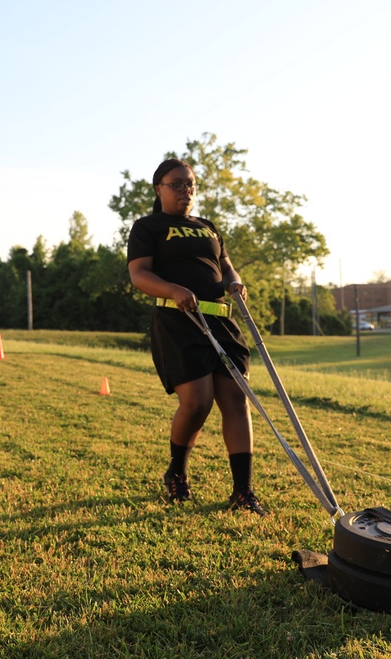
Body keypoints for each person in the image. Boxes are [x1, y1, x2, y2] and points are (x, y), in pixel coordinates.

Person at [127, 158, 266, 516]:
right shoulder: (148, 227)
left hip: (220, 320)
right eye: (177, 184)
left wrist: (234, 280)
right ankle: (176, 472)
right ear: (159, 188)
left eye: (190, 184)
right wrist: (173, 289)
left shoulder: (207, 227)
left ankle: (243, 492)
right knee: (198, 401)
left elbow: (225, 265)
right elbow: (139, 274)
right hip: (178, 320)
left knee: (236, 399)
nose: (185, 190)